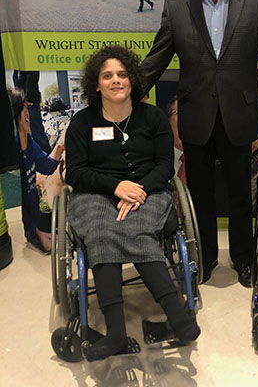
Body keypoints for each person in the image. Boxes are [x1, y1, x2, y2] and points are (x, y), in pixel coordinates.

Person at [141, 0, 258, 287]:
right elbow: (156, 60)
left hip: (240, 114)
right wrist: (123, 90)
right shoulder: (175, 7)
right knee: (200, 196)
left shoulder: (257, 3)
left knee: (242, 194)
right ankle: (204, 259)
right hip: (196, 117)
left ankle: (244, 258)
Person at [65, 46, 200, 362]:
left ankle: (176, 318)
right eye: (107, 75)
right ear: (96, 84)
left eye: (122, 74)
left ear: (133, 80)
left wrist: (139, 189)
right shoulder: (83, 123)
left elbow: (166, 165)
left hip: (148, 192)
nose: (115, 81)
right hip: (95, 194)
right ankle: (116, 334)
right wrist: (116, 186)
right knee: (100, 229)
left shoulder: (152, 117)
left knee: (136, 226)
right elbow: (75, 172)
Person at [10, 88, 64, 253]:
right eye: (23, 109)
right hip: (31, 222)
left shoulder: (30, 142)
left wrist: (61, 145)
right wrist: (35, 231)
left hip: (36, 216)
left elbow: (46, 166)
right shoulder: (11, 151)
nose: (28, 115)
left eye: (28, 109)